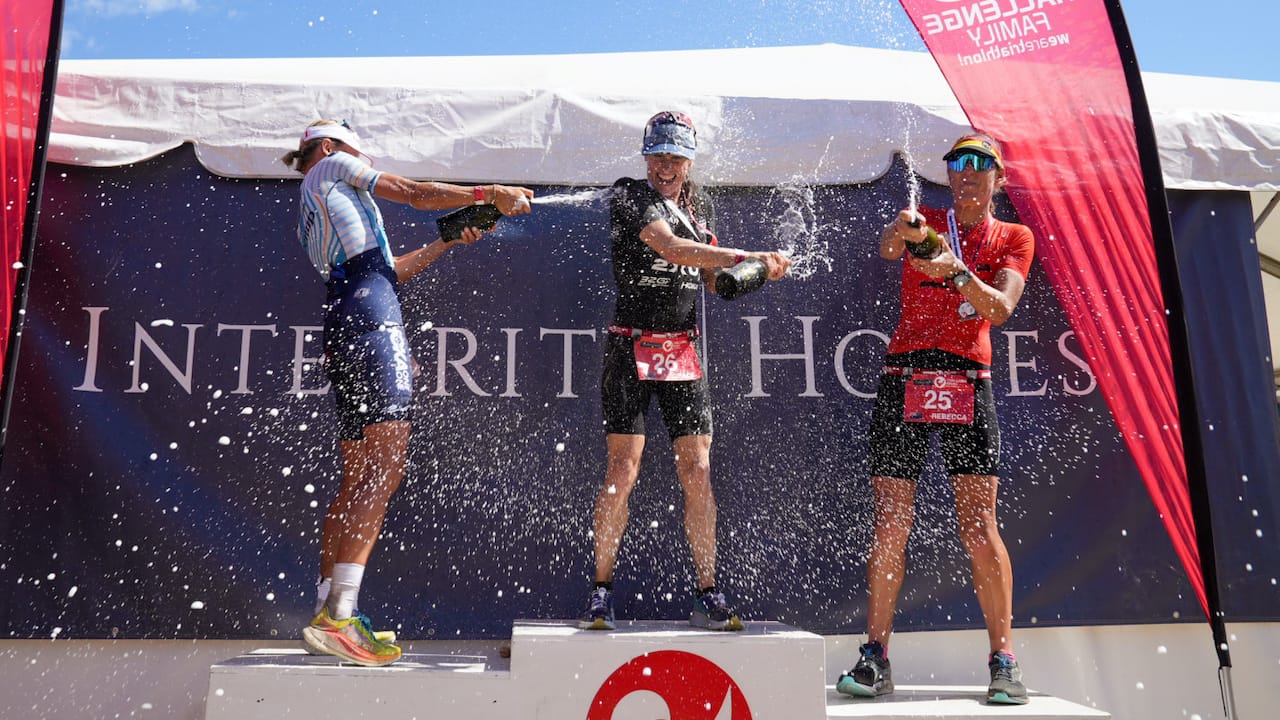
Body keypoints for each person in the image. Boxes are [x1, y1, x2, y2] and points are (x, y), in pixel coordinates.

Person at [281, 119, 533, 666]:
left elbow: (387, 272)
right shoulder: (332, 165)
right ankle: (341, 617)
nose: (363, 158)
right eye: (357, 150)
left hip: (348, 313)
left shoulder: (317, 201)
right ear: (326, 147)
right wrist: (491, 193)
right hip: (371, 319)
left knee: (357, 474)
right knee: (386, 465)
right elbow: (415, 194)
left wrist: (446, 239)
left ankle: (328, 611)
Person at [836, 132, 1034, 704]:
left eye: (979, 164)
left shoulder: (1013, 236)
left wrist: (952, 271)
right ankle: (875, 656)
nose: (966, 173)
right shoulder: (927, 216)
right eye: (956, 164)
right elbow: (888, 247)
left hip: (968, 379)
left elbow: (999, 308)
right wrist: (906, 231)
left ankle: (1003, 659)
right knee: (891, 522)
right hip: (905, 375)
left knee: (979, 525)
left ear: (1000, 177)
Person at [577, 111, 790, 632]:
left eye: (675, 158)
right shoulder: (629, 194)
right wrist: (747, 253)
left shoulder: (700, 206)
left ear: (689, 161)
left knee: (696, 470)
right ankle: (601, 591)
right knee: (622, 470)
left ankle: (708, 591)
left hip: (682, 352)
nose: (665, 167)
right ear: (646, 157)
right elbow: (671, 248)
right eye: (658, 156)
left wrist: (757, 272)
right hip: (630, 348)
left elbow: (714, 283)